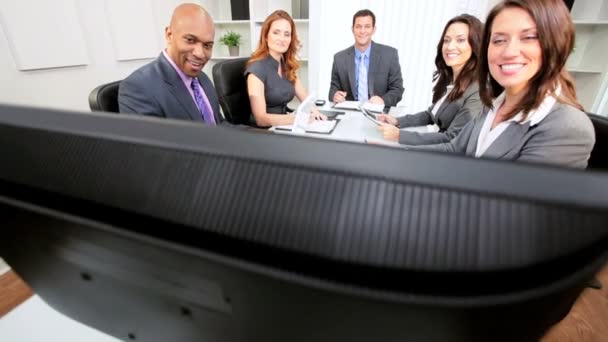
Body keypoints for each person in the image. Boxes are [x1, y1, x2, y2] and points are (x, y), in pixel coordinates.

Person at [409, 0, 595, 168]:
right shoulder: (493, 104)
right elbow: (454, 148)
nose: (509, 51)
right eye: (499, 40)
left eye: (529, 37)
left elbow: (510, 204)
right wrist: (393, 156)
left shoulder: (568, 128)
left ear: (557, 44)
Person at [376, 14, 483, 145]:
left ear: (475, 45)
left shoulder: (478, 91)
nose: (450, 46)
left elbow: (453, 139)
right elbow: (430, 115)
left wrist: (400, 136)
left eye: (460, 40)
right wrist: (397, 121)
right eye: (447, 40)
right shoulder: (453, 82)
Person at [118, 3, 223, 124]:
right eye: (190, 40)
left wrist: (248, 135)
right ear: (169, 35)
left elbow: (218, 124)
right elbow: (152, 143)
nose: (200, 54)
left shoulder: (202, 78)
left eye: (207, 45)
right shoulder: (138, 88)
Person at [245, 10, 325, 127]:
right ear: (266, 36)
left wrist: (316, 112)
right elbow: (260, 119)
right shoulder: (256, 70)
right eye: (276, 32)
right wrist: (297, 119)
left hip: (284, 126)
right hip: (265, 133)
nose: (282, 39)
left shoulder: (285, 64)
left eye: (287, 34)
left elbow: (305, 97)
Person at [329, 9, 404, 108]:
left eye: (367, 27)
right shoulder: (339, 58)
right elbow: (333, 90)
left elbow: (397, 89)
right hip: (350, 114)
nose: (362, 31)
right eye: (358, 27)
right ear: (352, 29)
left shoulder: (389, 55)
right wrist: (335, 95)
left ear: (374, 29)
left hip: (379, 114)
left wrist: (383, 100)